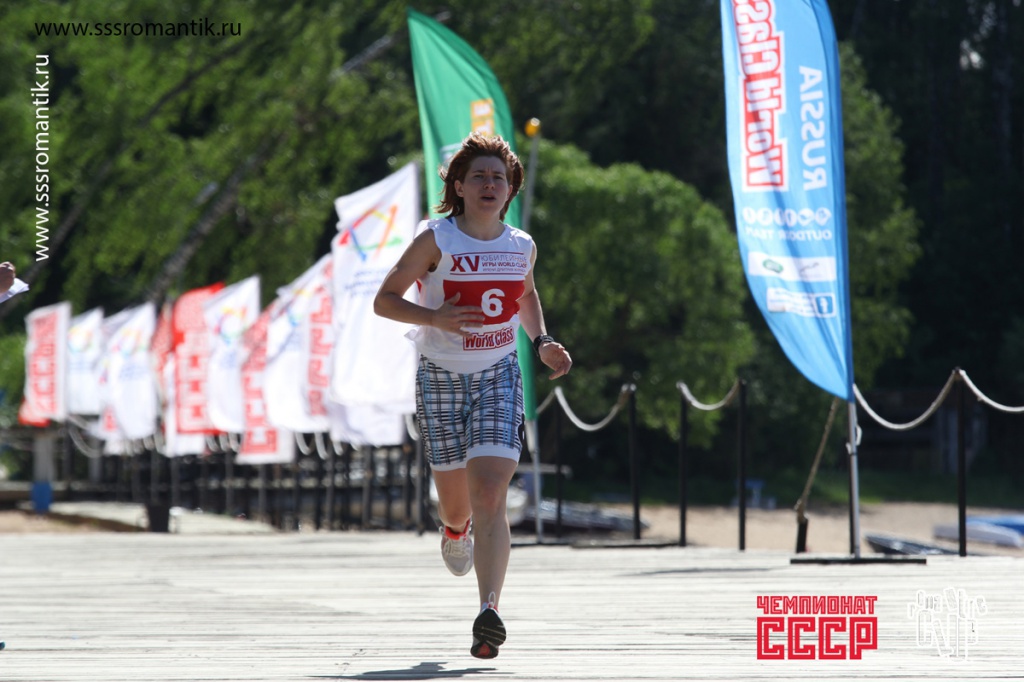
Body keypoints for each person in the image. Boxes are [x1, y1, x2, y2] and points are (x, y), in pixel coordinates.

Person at [374, 132, 571, 659]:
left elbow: (526, 295)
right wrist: (434, 317)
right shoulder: (435, 239)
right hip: (439, 375)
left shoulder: (521, 245)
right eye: (478, 176)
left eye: (498, 178)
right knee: (457, 504)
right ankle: (453, 529)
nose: (489, 184)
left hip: (498, 374)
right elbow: (385, 300)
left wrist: (543, 341)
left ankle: (489, 612)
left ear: (509, 190)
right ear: (459, 187)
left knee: (490, 493)